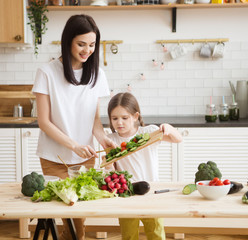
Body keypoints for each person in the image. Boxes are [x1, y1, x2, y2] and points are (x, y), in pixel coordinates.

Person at [32, 14, 115, 240]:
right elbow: (44, 122)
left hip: (85, 155)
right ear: (68, 40)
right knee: (66, 212)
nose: (87, 50)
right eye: (81, 44)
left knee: (78, 215)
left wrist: (104, 139)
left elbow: (94, 120)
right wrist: (74, 145)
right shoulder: (47, 72)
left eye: (91, 45)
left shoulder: (97, 73)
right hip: (54, 156)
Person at [106, 92, 183, 240]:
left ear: (135, 116)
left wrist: (169, 128)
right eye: (114, 118)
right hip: (127, 195)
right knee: (128, 235)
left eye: (124, 118)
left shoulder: (148, 133)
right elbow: (110, 170)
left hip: (152, 194)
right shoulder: (111, 140)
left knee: (156, 233)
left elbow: (177, 139)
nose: (119, 123)